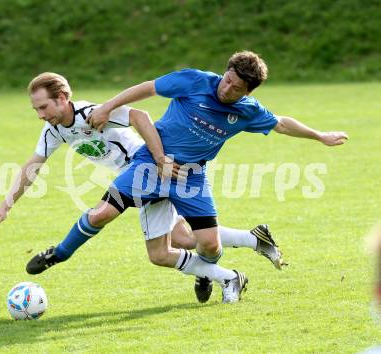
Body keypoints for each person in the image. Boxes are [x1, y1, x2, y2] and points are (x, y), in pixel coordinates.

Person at [27, 51, 348, 304]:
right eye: (227, 79)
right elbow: (148, 89)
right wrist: (109, 105)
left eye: (236, 88)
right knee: (102, 214)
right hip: (150, 165)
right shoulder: (194, 81)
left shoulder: (248, 112)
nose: (227, 88)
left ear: (248, 91)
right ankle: (59, 254)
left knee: (206, 245)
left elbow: (280, 123)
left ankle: (217, 269)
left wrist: (319, 136)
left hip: (192, 177)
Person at [0, 72, 283, 303]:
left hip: (145, 168)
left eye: (43, 107)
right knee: (183, 238)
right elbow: (33, 165)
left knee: (113, 222)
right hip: (148, 173)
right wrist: (6, 204)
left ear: (62, 98)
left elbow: (140, 114)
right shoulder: (53, 130)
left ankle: (59, 253)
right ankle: (247, 244)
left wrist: (159, 157)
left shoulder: (90, 114)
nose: (41, 115)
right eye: (36, 110)